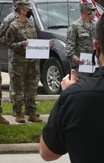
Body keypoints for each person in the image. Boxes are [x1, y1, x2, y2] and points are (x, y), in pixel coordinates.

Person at [40, 17, 104, 163]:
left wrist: (67, 96)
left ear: (97, 46)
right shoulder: (74, 27)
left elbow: (47, 153)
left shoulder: (75, 97)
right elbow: (70, 48)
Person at [5, 0, 43, 123]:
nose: (28, 11)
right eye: (27, 9)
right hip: (19, 62)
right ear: (21, 10)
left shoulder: (31, 24)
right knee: (18, 88)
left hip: (32, 62)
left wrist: (45, 46)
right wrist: (21, 44)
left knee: (32, 87)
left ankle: (31, 112)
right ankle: (18, 112)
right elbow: (9, 44)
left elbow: (35, 40)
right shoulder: (13, 26)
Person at [66, 2, 96, 72]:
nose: (95, 13)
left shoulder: (95, 26)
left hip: (95, 65)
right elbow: (69, 47)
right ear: (87, 12)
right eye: (93, 10)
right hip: (81, 66)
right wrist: (74, 59)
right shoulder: (74, 26)